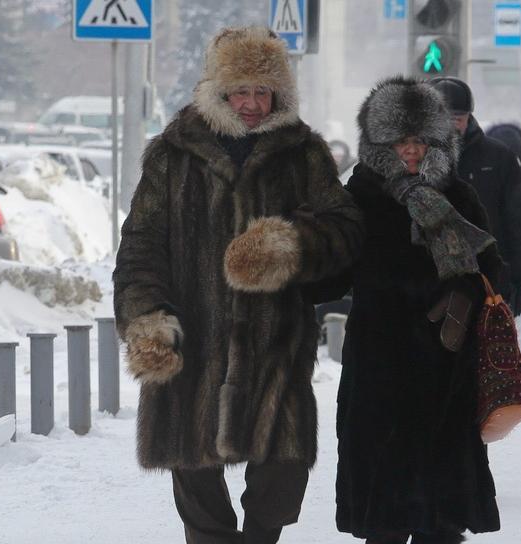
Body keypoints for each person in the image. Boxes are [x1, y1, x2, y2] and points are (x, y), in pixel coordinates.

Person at [112, 26, 364, 544]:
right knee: (197, 483)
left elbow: (346, 230)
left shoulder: (304, 153)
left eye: (262, 91)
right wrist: (147, 318)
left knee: (277, 481)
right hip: (192, 339)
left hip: (273, 344)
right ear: (220, 92)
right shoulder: (172, 154)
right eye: (240, 91)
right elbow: (140, 244)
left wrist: (288, 245)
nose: (251, 104)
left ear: (279, 94)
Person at [313, 76, 501, 544]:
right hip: (380, 362)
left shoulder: (457, 195)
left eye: (420, 140)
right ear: (380, 144)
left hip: (445, 362)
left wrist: (463, 296)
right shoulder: (358, 197)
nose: (411, 151)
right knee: (385, 512)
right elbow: (334, 275)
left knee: (441, 516)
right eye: (400, 141)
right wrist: (291, 266)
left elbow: (493, 271)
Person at [427, 77, 521, 319]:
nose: (449, 126)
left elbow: (520, 224)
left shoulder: (498, 158)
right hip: (427, 283)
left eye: (456, 119)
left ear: (469, 117)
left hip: (488, 282)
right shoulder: (413, 158)